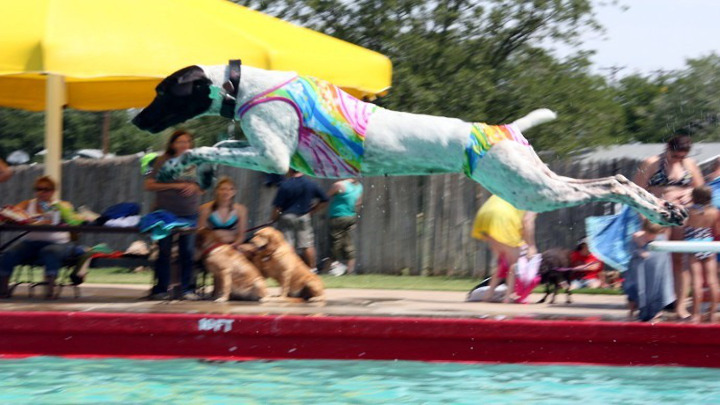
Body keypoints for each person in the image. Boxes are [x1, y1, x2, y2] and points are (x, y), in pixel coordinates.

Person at [633, 132, 704, 319]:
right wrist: (644, 220)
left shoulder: (689, 165)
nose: (678, 160)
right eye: (675, 156)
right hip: (657, 216)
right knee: (656, 261)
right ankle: (653, 305)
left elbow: (702, 190)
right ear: (667, 149)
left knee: (679, 261)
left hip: (681, 215)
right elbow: (635, 192)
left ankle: (680, 306)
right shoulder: (651, 164)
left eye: (682, 156)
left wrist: (690, 193)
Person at [144, 130, 203, 300]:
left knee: (188, 252)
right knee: (164, 251)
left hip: (189, 214)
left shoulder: (197, 162)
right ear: (172, 144)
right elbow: (149, 184)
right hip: (165, 214)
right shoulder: (162, 161)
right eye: (180, 142)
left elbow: (204, 186)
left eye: (187, 141)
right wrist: (176, 186)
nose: (184, 145)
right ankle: (161, 289)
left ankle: (187, 289)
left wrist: (194, 187)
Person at [0, 176, 75, 299]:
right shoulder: (28, 203)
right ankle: (2, 290)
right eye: (38, 189)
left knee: (50, 251)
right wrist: (12, 215)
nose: (42, 192)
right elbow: (13, 213)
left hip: (57, 243)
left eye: (46, 189)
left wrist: (43, 218)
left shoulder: (61, 205)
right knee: (9, 253)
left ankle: (49, 291)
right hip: (31, 242)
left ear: (53, 191)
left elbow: (71, 219)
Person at [471, 195, 537, 303]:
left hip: (485, 213)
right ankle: (507, 297)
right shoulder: (535, 199)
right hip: (502, 217)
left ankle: (489, 294)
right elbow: (527, 221)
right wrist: (531, 246)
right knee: (514, 262)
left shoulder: (517, 188)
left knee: (503, 262)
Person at [271, 169, 328, 272]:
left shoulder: (284, 185)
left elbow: (277, 208)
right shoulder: (310, 184)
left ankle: (290, 269)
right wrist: (313, 210)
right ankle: (312, 269)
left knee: (288, 244)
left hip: (287, 216)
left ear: (290, 170)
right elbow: (325, 200)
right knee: (306, 244)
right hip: (304, 217)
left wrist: (273, 219)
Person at [625, 218, 675, 322]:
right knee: (635, 290)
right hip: (639, 271)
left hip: (656, 270)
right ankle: (631, 312)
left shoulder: (661, 239)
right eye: (648, 233)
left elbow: (664, 259)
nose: (650, 236)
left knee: (657, 289)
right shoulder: (637, 236)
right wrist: (638, 250)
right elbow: (630, 249)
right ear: (644, 229)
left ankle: (657, 311)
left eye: (653, 234)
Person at [683, 186, 719, 323]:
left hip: (693, 246)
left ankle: (696, 314)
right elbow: (716, 231)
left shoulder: (689, 211)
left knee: (696, 282)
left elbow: (683, 227)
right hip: (708, 245)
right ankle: (712, 313)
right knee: (712, 281)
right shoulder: (714, 212)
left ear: (694, 197)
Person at [325, 178, 363, 276]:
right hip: (350, 217)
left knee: (335, 244)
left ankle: (327, 269)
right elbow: (358, 203)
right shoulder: (359, 186)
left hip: (338, 217)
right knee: (348, 244)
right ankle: (350, 271)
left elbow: (325, 197)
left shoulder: (339, 185)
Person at [197, 177, 248, 248]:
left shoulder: (241, 209)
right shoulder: (205, 208)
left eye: (231, 189)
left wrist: (234, 245)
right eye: (223, 189)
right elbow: (201, 234)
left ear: (234, 192)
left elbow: (241, 236)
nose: (226, 192)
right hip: (210, 245)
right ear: (216, 191)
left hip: (232, 245)